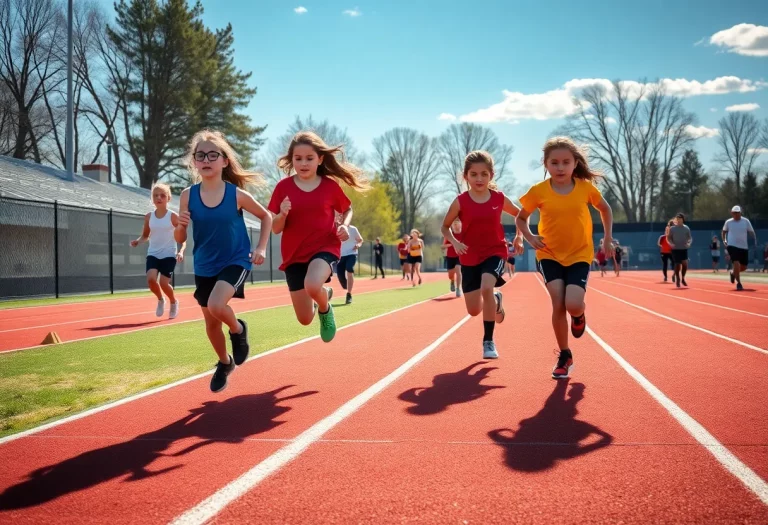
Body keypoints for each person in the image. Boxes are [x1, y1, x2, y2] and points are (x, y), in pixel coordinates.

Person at [174, 129, 272, 393]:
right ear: (194, 161)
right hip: (204, 264)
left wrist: (261, 247)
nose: (206, 159)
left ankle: (239, 329)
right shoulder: (187, 195)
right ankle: (224, 362)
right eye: (200, 155)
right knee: (211, 322)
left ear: (224, 161)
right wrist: (181, 227)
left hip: (236, 259)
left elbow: (266, 217)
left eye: (212, 155)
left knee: (218, 305)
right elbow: (180, 237)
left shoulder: (236, 195)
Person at [516, 137, 613, 380]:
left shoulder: (585, 188)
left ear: (575, 163)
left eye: (566, 162)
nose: (560, 167)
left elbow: (605, 209)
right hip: (549, 254)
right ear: (546, 164)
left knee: (573, 304)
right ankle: (565, 354)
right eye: (554, 162)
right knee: (558, 302)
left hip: (580, 253)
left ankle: (579, 315)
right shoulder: (538, 191)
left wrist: (608, 238)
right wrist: (528, 237)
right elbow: (520, 218)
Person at [268, 131, 368, 341]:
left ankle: (324, 308)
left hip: (325, 247)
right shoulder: (282, 188)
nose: (303, 163)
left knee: (312, 285)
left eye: (309, 158)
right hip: (294, 255)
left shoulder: (329, 186)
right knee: (304, 319)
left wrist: (344, 226)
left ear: (320, 159)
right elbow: (276, 228)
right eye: (298, 158)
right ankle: (325, 295)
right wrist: (282, 214)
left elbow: (348, 209)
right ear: (291, 160)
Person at [442, 150, 524, 360]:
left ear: (491, 175)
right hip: (469, 256)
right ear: (466, 176)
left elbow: (520, 215)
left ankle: (488, 341)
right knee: (473, 311)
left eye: (484, 174)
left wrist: (519, 237)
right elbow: (445, 227)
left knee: (487, 286)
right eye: (474, 174)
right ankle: (496, 300)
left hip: (494, 251)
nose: (479, 179)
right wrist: (455, 241)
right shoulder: (460, 201)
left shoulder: (498, 198)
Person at [130, 183, 186, 319]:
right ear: (152, 199)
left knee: (163, 283)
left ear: (168, 198)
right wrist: (138, 241)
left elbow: (183, 238)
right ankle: (161, 299)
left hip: (169, 255)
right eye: (155, 195)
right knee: (151, 280)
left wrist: (181, 251)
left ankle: (173, 301)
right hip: (153, 253)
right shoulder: (149, 217)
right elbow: (145, 235)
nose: (159, 198)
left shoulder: (173, 217)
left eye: (162, 195)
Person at [722, 205, 757, 291]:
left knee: (744, 267)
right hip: (732, 245)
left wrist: (754, 240)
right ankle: (739, 283)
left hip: (743, 246)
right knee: (736, 263)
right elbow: (723, 232)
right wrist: (724, 240)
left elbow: (751, 232)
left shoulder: (746, 221)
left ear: (740, 213)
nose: (736, 214)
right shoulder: (728, 222)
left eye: (738, 213)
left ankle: (733, 273)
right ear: (732, 213)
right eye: (734, 213)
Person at [337, 224, 363, 304]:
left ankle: (349, 294)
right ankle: (347, 286)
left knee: (349, 268)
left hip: (352, 253)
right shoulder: (336, 229)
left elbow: (360, 240)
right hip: (341, 255)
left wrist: (358, 245)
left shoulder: (353, 229)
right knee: (340, 274)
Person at [667, 213, 692, 288]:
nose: (678, 220)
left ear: (683, 219)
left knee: (685, 263)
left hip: (683, 248)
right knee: (677, 265)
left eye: (680, 219)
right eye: (677, 219)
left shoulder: (686, 228)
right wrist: (671, 243)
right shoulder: (672, 229)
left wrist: (689, 243)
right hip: (675, 249)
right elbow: (669, 238)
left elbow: (689, 238)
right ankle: (677, 278)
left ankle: (683, 278)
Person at [442, 219, 463, 297]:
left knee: (458, 270)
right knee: (451, 274)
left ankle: (458, 289)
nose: (455, 226)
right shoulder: (449, 235)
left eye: (457, 224)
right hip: (450, 256)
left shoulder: (464, 234)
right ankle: (452, 281)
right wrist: (452, 244)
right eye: (454, 224)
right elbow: (443, 246)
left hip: (460, 256)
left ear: (461, 224)